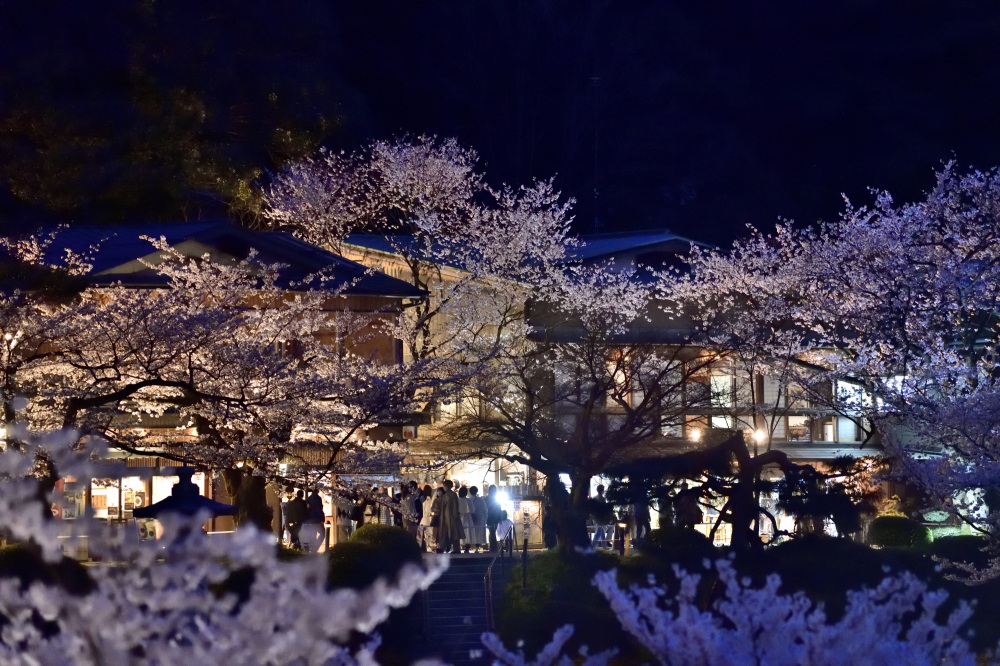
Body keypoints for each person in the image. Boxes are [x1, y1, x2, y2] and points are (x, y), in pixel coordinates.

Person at [435, 479, 464, 554]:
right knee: (451, 533)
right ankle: (448, 548)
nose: (443, 487)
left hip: (449, 517)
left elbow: (454, 506)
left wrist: (454, 515)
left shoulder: (450, 495)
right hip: (448, 516)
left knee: (449, 533)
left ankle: (444, 548)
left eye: (444, 486)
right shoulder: (451, 495)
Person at [302, 489, 326, 553]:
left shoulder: (308, 499)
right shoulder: (318, 498)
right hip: (317, 520)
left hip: (309, 520)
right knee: (323, 533)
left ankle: (312, 548)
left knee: (313, 534)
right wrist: (322, 519)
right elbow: (319, 509)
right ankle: (315, 548)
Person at [469, 485, 487, 553]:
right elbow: (485, 510)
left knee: (472, 533)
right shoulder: (481, 500)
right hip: (480, 518)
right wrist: (485, 519)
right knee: (479, 533)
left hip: (471, 519)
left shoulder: (469, 500)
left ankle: (471, 547)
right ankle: (477, 547)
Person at [458, 486, 475, 553]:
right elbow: (473, 510)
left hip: (459, 518)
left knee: (459, 532)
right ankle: (467, 547)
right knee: (468, 533)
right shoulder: (468, 500)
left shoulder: (457, 500)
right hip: (468, 518)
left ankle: (459, 546)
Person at [485, 485, 502, 552]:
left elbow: (485, 509)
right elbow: (498, 509)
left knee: (491, 532)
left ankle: (492, 547)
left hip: (489, 518)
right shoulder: (496, 499)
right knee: (492, 532)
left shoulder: (486, 499)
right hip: (495, 518)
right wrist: (499, 518)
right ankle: (493, 547)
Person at [419, 484, 436, 551]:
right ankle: (429, 546)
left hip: (422, 518)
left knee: (424, 533)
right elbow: (428, 509)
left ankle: (425, 546)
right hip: (427, 518)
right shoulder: (428, 499)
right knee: (429, 532)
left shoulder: (421, 498)